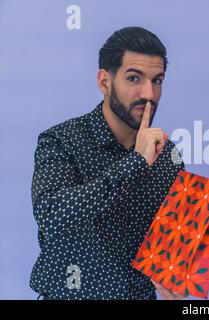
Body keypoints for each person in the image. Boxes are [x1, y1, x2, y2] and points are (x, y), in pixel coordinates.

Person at [30, 26, 185, 300]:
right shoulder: (62, 141)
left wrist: (176, 282)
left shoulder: (168, 156)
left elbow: (173, 253)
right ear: (105, 82)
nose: (149, 93)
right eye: (134, 78)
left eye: (157, 80)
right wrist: (135, 162)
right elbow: (51, 214)